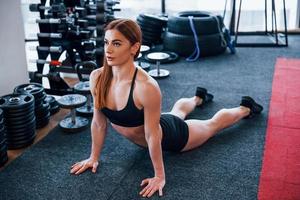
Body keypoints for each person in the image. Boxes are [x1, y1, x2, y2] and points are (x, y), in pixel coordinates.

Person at [70, 19, 263, 198]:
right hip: (154, 125)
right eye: (106, 42)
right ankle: (198, 97)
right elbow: (98, 122)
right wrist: (93, 157)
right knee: (176, 112)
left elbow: (153, 135)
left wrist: (159, 176)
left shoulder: (146, 87)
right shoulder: (97, 77)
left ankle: (245, 108)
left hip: (173, 136)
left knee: (211, 125)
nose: (108, 50)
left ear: (134, 48)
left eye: (117, 43)